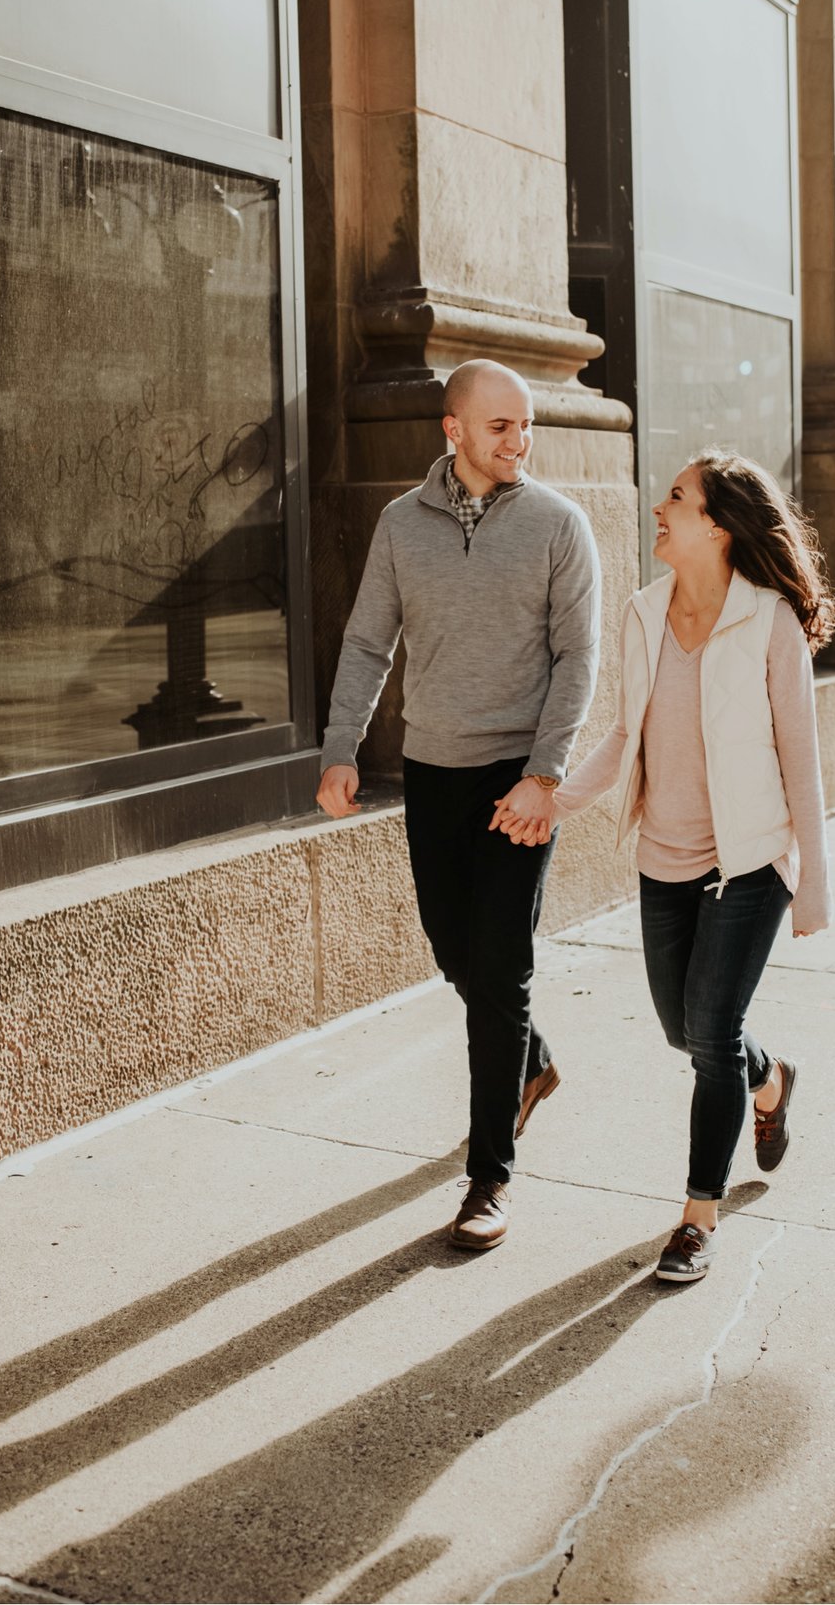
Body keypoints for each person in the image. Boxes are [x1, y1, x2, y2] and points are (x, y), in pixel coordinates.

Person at [316, 358, 600, 1252]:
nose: (519, 441)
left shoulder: (560, 525)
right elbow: (368, 640)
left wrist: (545, 775)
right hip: (433, 769)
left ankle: (490, 1175)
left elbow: (578, 661)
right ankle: (531, 1059)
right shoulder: (403, 524)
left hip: (518, 774)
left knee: (503, 965)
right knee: (454, 950)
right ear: (453, 429)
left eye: (526, 426)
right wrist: (341, 748)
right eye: (500, 426)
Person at [552, 448, 834, 1285]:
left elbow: (803, 760)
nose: (658, 509)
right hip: (662, 858)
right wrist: (552, 800)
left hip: (748, 863)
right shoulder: (644, 614)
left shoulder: (771, 622)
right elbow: (621, 738)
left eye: (675, 496)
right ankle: (771, 1078)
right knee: (687, 1030)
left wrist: (813, 875)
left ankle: (696, 1217)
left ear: (715, 524)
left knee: (710, 1034)